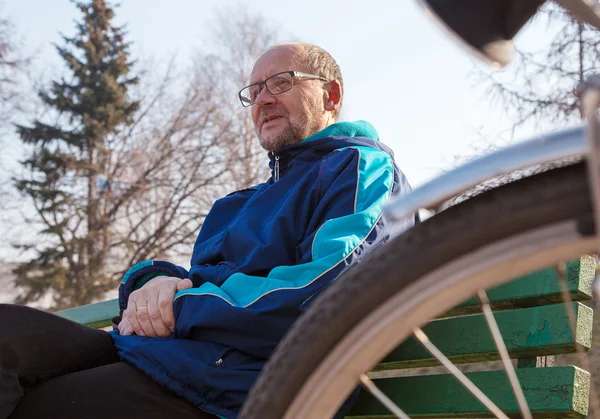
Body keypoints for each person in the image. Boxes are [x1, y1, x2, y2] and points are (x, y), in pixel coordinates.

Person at [0, 42, 414, 419]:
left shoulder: (359, 169)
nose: (262, 99)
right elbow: (202, 281)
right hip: (169, 359)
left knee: (43, 408)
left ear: (332, 95)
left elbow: (330, 292)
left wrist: (180, 307)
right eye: (254, 92)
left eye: (280, 82)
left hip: (241, 387)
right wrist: (154, 281)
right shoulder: (237, 203)